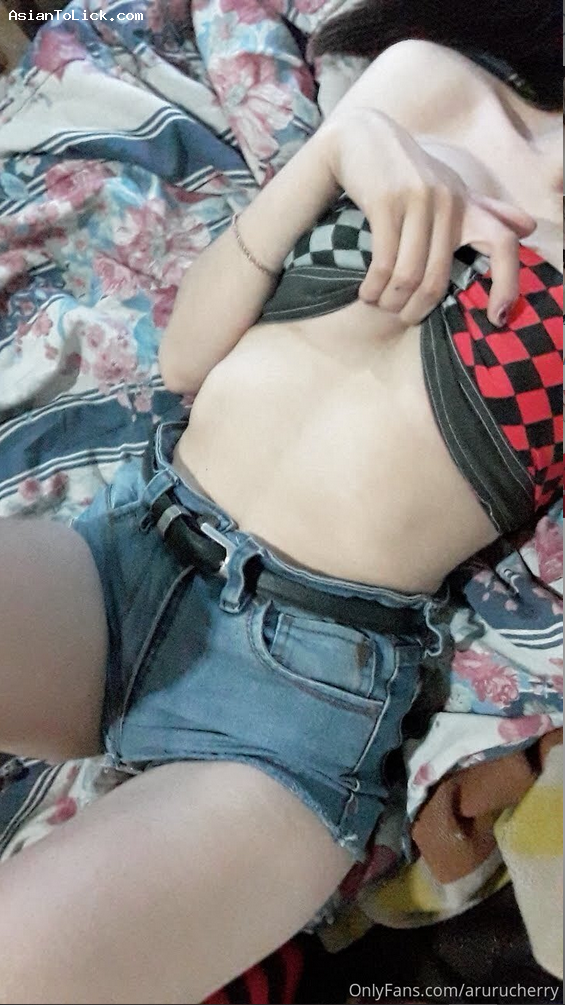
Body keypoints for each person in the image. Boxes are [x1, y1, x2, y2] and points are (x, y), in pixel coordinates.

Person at [0, 0, 562, 1000]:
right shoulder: (430, 81)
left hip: (298, 707)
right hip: (129, 553)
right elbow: (186, 361)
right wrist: (330, 156)